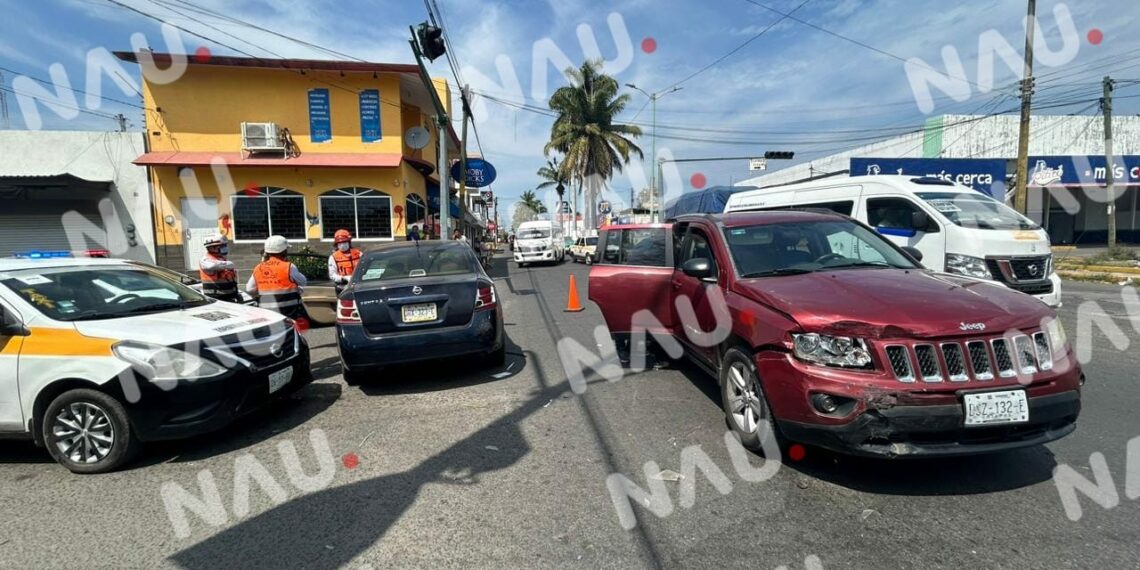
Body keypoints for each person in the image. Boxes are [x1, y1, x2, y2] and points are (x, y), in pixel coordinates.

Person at [247, 235, 308, 319]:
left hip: (267, 312)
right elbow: (303, 282)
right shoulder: (289, 266)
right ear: (283, 251)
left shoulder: (258, 267)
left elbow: (249, 289)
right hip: (288, 312)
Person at [198, 233, 240, 302]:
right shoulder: (205, 260)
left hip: (230, 297)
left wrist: (236, 294)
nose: (225, 247)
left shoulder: (221, 259)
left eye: (225, 245)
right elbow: (212, 266)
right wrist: (230, 264)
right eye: (222, 246)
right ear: (212, 247)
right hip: (216, 299)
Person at [327, 229, 362, 293]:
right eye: (339, 243)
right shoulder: (333, 257)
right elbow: (332, 275)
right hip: (342, 287)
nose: (342, 245)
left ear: (349, 242)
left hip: (358, 286)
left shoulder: (358, 254)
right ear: (336, 244)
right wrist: (344, 278)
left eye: (344, 242)